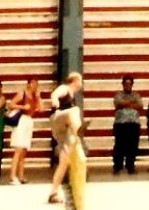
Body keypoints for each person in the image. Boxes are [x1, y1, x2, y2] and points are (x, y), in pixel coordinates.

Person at [48, 73, 85, 205]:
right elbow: (55, 94)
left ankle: (53, 192)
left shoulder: (73, 95)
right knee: (74, 110)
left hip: (63, 129)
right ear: (75, 80)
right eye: (80, 81)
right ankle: (77, 133)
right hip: (58, 118)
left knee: (64, 161)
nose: (81, 84)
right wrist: (55, 100)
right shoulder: (65, 88)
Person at [8, 75, 44, 184]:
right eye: (33, 83)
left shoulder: (35, 96)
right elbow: (11, 104)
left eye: (36, 84)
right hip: (21, 120)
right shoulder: (22, 94)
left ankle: (21, 175)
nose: (35, 86)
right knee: (18, 149)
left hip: (29, 120)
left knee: (24, 150)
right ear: (28, 84)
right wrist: (22, 107)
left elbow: (41, 109)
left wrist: (38, 97)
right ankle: (12, 176)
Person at [112, 74, 143, 175]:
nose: (128, 85)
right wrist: (132, 104)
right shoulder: (118, 94)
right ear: (123, 84)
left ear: (132, 85)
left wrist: (125, 103)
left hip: (134, 123)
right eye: (126, 83)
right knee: (119, 145)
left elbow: (140, 105)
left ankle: (131, 166)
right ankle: (117, 166)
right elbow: (118, 103)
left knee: (132, 146)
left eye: (130, 84)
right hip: (120, 123)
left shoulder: (136, 95)